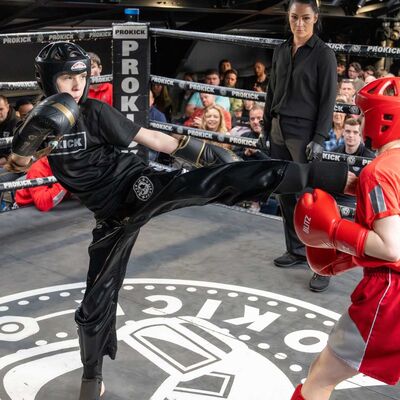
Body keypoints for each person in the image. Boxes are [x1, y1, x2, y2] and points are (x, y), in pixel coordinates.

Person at [6, 41, 351, 400]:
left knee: (205, 184)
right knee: (96, 298)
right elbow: (17, 166)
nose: (77, 85)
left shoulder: (94, 112)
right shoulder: (40, 125)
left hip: (134, 187)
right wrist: (24, 148)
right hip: (109, 217)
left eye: (81, 76)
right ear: (49, 80)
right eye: (67, 77)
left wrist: (206, 155)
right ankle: (92, 375)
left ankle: (316, 175)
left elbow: (154, 138)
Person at [291, 76, 400, 400]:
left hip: (390, 298)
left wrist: (335, 230)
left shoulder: (379, 171)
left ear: (383, 118)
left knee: (320, 377)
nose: (363, 121)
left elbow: (391, 246)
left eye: (366, 114)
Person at [263, 0, 337, 268]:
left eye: (305, 18)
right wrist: (264, 127)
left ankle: (321, 258)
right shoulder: (281, 50)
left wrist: (319, 138)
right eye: (295, 17)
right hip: (278, 129)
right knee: (284, 192)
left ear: (315, 18)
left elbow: (328, 99)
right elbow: (272, 91)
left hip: (304, 134)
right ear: (289, 17)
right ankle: (295, 250)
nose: (299, 24)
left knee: (310, 198)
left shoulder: (324, 54)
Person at [311, 117, 376, 292]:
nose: (351, 136)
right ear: (343, 132)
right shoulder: (336, 152)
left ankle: (370, 277)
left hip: (357, 202)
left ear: (361, 135)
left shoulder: (369, 158)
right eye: (347, 131)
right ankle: (323, 270)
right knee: (321, 217)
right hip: (336, 199)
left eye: (355, 132)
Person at [0, 95, 19, 166]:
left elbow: (17, 155)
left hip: (10, 166)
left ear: (7, 107)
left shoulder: (17, 125)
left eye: (0, 109)